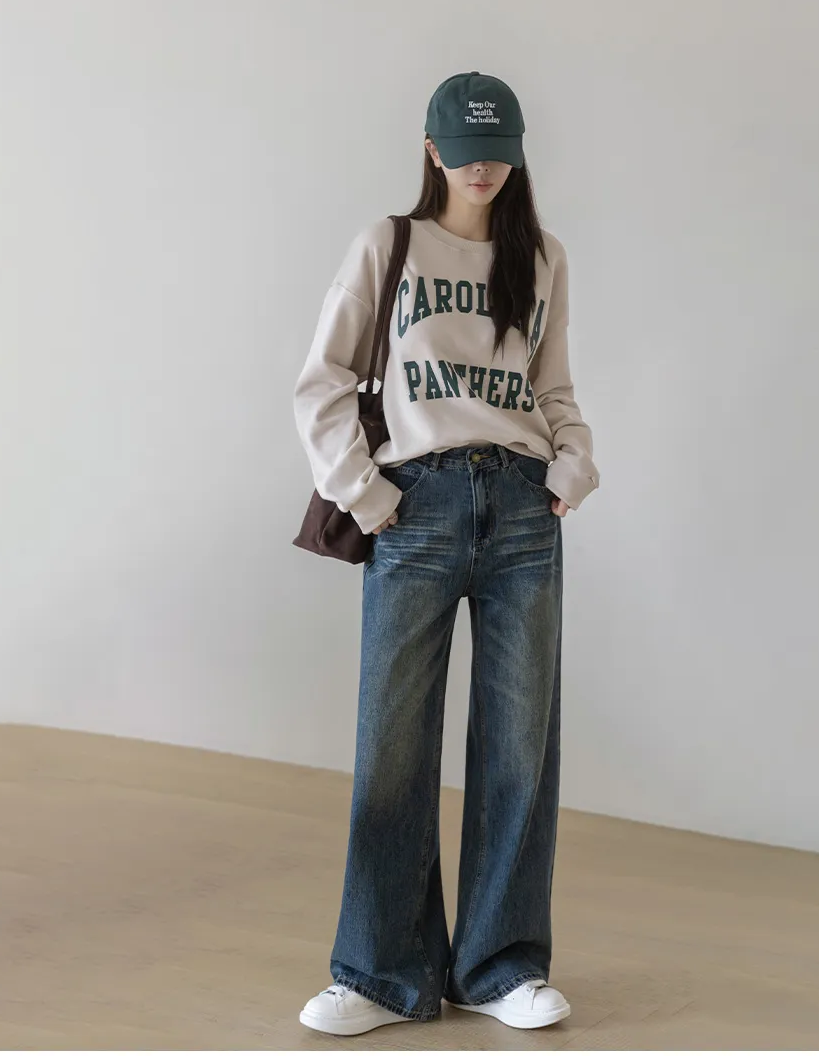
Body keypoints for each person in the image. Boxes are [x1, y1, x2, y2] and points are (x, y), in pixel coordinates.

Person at [293, 71, 600, 1036]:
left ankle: (501, 968)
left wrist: (573, 465)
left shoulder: (541, 257)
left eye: (498, 150)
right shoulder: (388, 245)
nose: (482, 167)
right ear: (431, 149)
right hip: (414, 508)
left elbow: (553, 390)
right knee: (392, 745)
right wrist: (368, 494)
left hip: (522, 508)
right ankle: (380, 973)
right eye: (465, 150)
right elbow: (322, 382)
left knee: (519, 746)